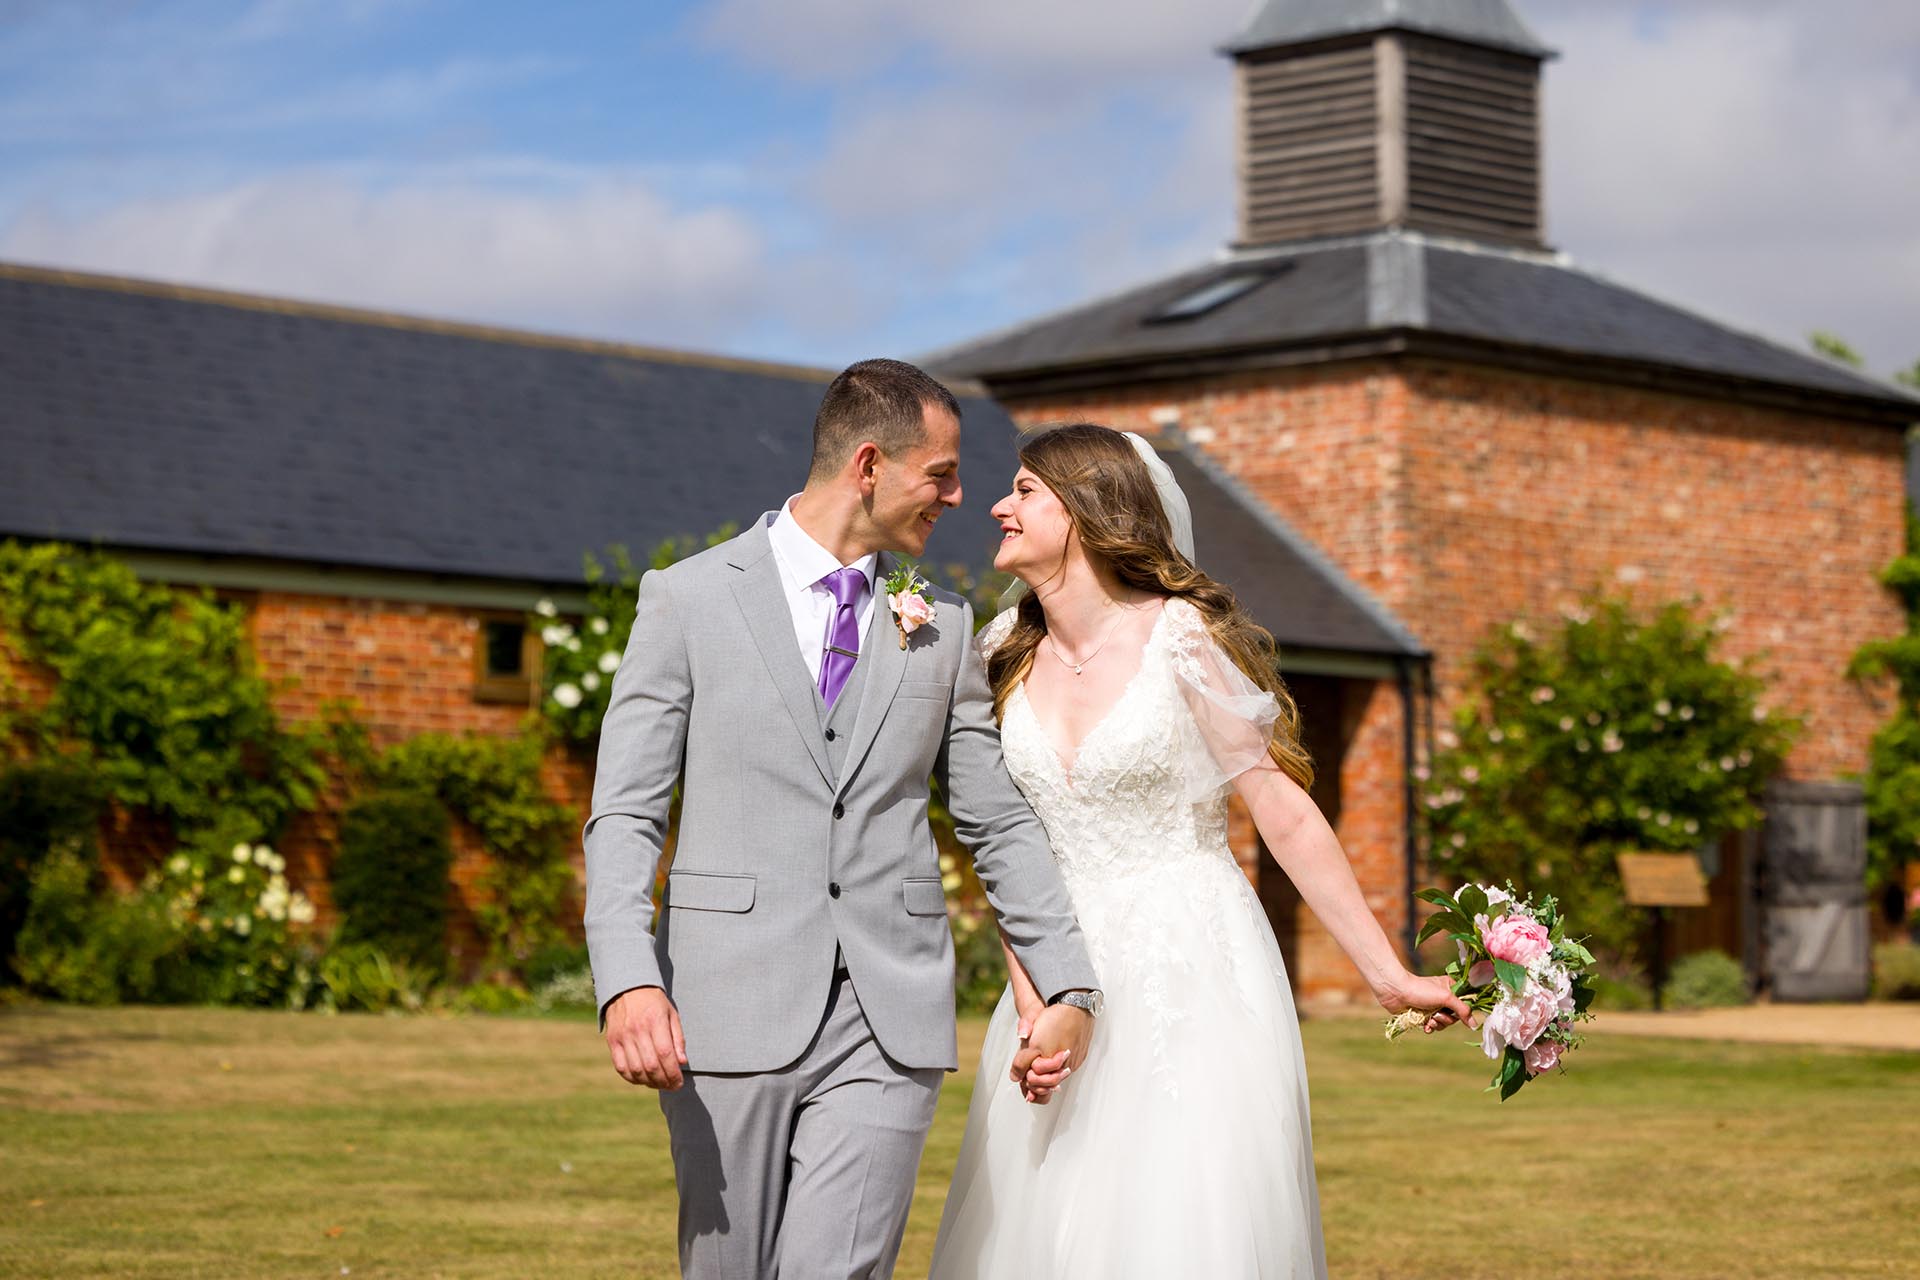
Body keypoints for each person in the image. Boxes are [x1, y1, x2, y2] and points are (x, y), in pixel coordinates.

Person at [582, 359, 1103, 1279]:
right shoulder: (687, 599)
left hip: (887, 1015)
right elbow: (625, 811)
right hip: (723, 1004)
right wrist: (628, 979)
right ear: (870, 463)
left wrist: (1066, 981)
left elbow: (995, 820)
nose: (957, 495)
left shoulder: (942, 624)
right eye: (939, 473)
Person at [927, 424, 1473, 1278]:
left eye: (1026, 488)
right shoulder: (1001, 652)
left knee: (1180, 1215)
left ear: (1084, 509)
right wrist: (1033, 998)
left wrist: (1386, 972)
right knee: (1045, 1223)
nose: (999, 504)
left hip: (1191, 962)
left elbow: (1284, 814)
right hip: (1050, 965)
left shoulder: (1179, 636)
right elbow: (1006, 847)